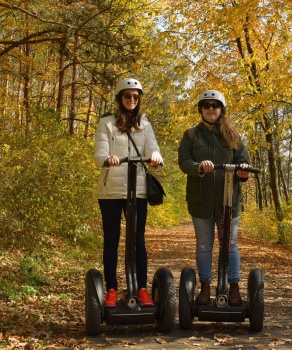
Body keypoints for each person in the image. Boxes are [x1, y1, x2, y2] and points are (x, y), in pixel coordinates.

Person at [94, 78, 163, 307]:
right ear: (119, 98)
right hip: (110, 191)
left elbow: (152, 147)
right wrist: (107, 158)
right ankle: (112, 289)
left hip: (138, 190)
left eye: (135, 96)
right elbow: (99, 152)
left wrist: (155, 157)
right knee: (111, 240)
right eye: (127, 96)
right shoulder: (107, 122)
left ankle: (141, 288)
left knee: (137, 240)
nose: (131, 100)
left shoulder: (144, 123)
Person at [178, 89, 251, 306]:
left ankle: (234, 286)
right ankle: (206, 286)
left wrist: (243, 171)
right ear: (200, 109)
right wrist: (198, 166)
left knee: (231, 245)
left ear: (221, 110)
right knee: (204, 245)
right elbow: (184, 161)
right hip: (201, 202)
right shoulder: (191, 135)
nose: (211, 108)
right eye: (207, 105)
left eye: (215, 105)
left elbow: (243, 161)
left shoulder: (233, 136)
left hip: (229, 201)